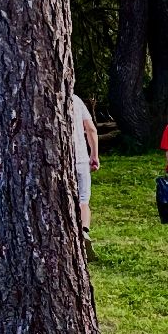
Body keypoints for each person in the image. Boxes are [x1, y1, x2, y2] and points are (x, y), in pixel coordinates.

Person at [71, 93, 100, 259]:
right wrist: (94, 155)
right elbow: (91, 129)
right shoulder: (76, 100)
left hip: (56, 162)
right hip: (80, 159)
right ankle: (84, 232)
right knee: (83, 200)